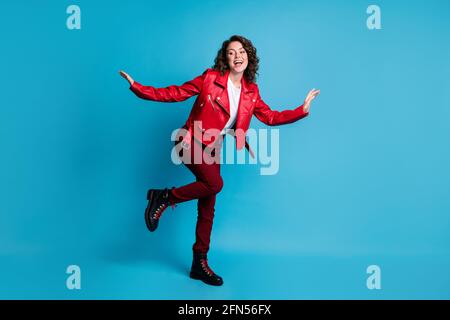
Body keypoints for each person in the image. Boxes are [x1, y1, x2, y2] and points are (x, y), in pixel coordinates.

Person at [119, 35, 320, 286]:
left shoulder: (251, 92)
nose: (238, 56)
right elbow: (174, 93)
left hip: (213, 148)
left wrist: (301, 111)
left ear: (249, 56)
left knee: (208, 206)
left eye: (242, 51)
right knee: (215, 184)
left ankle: (199, 264)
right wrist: (138, 87)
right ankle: (164, 197)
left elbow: (270, 117)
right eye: (232, 52)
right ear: (224, 59)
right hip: (188, 140)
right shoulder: (209, 79)